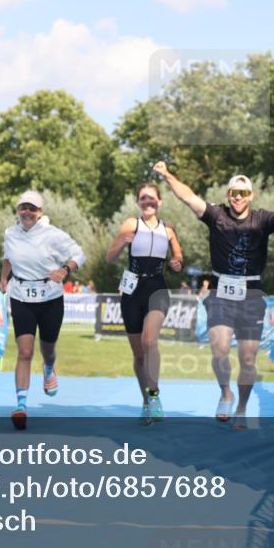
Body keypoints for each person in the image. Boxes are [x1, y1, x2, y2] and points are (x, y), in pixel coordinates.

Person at [154, 161, 274, 429]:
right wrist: (167, 175)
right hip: (220, 292)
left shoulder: (262, 220)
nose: (238, 197)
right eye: (234, 193)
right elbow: (188, 197)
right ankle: (226, 393)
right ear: (228, 195)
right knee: (220, 350)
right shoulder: (216, 215)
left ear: (251, 196)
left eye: (243, 193)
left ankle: (241, 407)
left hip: (251, 295)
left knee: (248, 359)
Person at [0, 191, 85, 430]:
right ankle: (21, 405)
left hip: (50, 298)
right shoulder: (10, 233)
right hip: (21, 295)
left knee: (48, 349)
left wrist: (65, 270)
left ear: (40, 212)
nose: (27, 211)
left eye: (32, 208)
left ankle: (48, 369)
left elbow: (79, 254)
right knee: (25, 351)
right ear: (18, 210)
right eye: (23, 207)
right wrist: (4, 278)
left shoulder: (53, 234)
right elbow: (8, 258)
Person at [105, 182, 184, 425]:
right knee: (139, 355)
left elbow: (178, 255)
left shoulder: (168, 229)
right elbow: (110, 258)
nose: (147, 202)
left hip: (157, 287)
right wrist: (123, 241)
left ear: (159, 201)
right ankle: (147, 403)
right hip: (132, 289)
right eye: (143, 198)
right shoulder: (131, 224)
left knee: (149, 341)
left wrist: (176, 262)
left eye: (151, 198)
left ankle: (155, 395)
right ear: (138, 202)